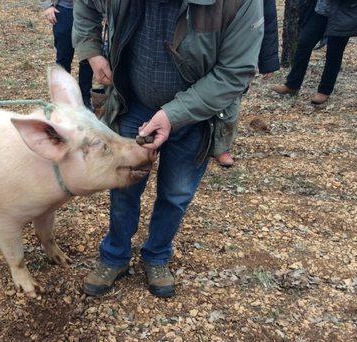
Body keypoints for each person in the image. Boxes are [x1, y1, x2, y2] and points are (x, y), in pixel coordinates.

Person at [73, 0, 264, 298]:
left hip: (199, 117)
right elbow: (84, 3)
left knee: (176, 194)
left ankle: (157, 256)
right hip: (133, 104)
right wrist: (93, 53)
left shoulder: (238, 4)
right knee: (124, 186)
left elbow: (234, 73)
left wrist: (172, 116)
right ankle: (115, 255)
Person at [215, 0, 280, 167]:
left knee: (232, 96)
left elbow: (267, 16)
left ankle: (222, 146)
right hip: (203, 37)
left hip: (239, 40)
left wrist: (268, 60)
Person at [272, 0, 357, 105]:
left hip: (344, 13)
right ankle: (292, 85)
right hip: (321, 10)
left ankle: (324, 90)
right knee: (304, 42)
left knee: (334, 52)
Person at [41, 0, 93, 108]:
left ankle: (85, 101)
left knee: (88, 58)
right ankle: (63, 102)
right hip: (64, 10)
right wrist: (47, 5)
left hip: (90, 10)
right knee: (63, 59)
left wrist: (108, 13)